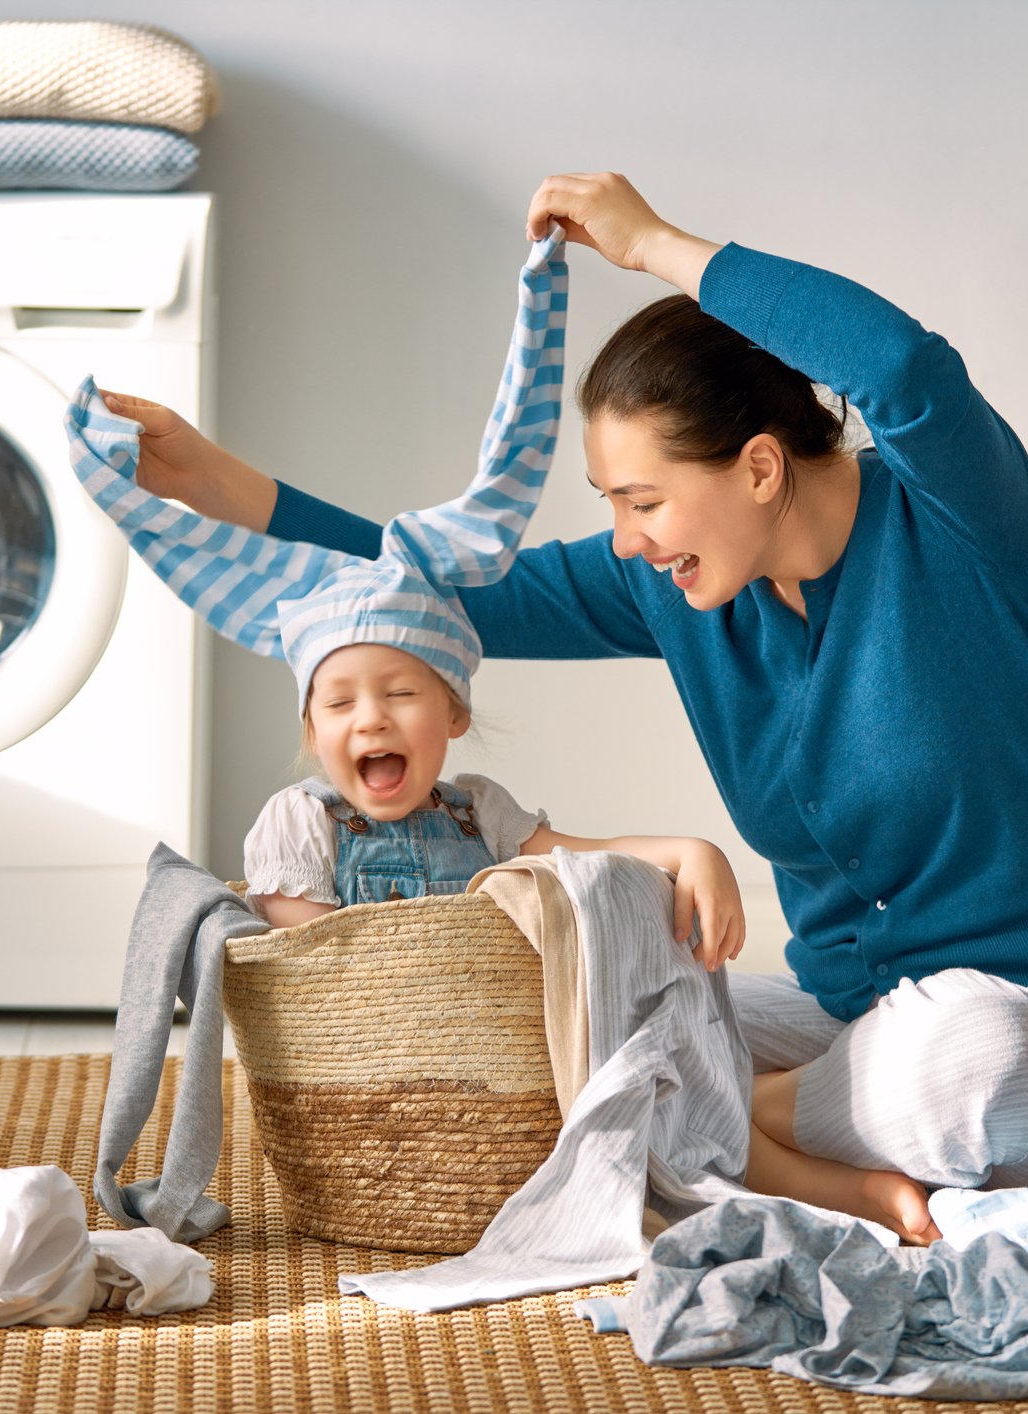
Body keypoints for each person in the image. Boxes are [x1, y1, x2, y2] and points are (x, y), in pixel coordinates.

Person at [93, 174, 1028, 1246]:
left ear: (759, 467)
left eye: (643, 501)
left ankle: (680, 1125)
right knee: (557, 1000)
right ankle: (730, 1132)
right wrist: (212, 481)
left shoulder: (956, 520)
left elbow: (903, 366)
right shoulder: (677, 588)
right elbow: (427, 586)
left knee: (963, 1054)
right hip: (845, 1023)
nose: (625, 537)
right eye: (612, 505)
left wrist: (654, 243)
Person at [69, 225, 747, 1014]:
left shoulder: (481, 812)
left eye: (400, 693)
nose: (370, 719)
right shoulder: (303, 824)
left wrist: (685, 851)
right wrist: (200, 479)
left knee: (672, 1005)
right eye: (340, 701)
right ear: (311, 729)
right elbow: (314, 981)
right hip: (371, 1051)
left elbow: (581, 858)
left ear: (455, 712)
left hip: (477, 1049)